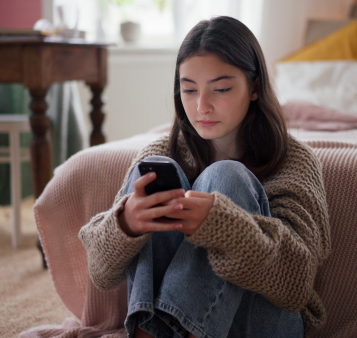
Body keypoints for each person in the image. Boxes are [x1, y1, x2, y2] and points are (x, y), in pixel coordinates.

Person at [78, 16, 331, 338]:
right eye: (188, 90)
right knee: (154, 169)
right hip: (160, 324)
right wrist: (125, 223)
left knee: (226, 176)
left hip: (261, 323)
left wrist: (224, 226)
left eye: (221, 89)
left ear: (254, 87)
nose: (201, 107)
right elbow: (101, 275)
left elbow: (297, 283)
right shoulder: (162, 152)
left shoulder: (293, 159)